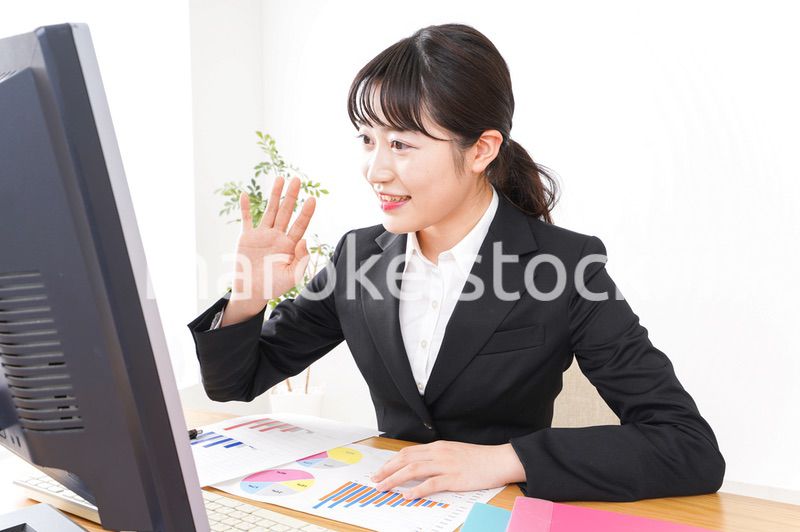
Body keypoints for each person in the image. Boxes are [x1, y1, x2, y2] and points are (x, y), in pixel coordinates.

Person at [188, 23, 725, 502]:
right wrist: (250, 293)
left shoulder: (566, 267)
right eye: (367, 140)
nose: (375, 170)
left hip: (502, 511)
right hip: (383, 505)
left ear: (481, 151)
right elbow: (235, 382)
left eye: (401, 144)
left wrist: (502, 459)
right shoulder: (360, 256)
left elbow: (686, 446)